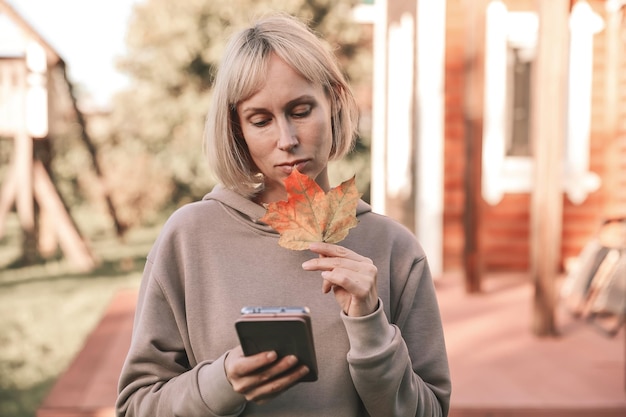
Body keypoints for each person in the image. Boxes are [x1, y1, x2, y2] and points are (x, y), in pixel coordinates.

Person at [116, 12, 451, 417]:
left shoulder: (394, 249)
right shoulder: (190, 238)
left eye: (301, 110)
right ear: (238, 129)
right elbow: (136, 406)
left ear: (334, 101)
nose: (287, 140)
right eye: (261, 120)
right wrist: (221, 383)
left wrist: (371, 328)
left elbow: (429, 412)